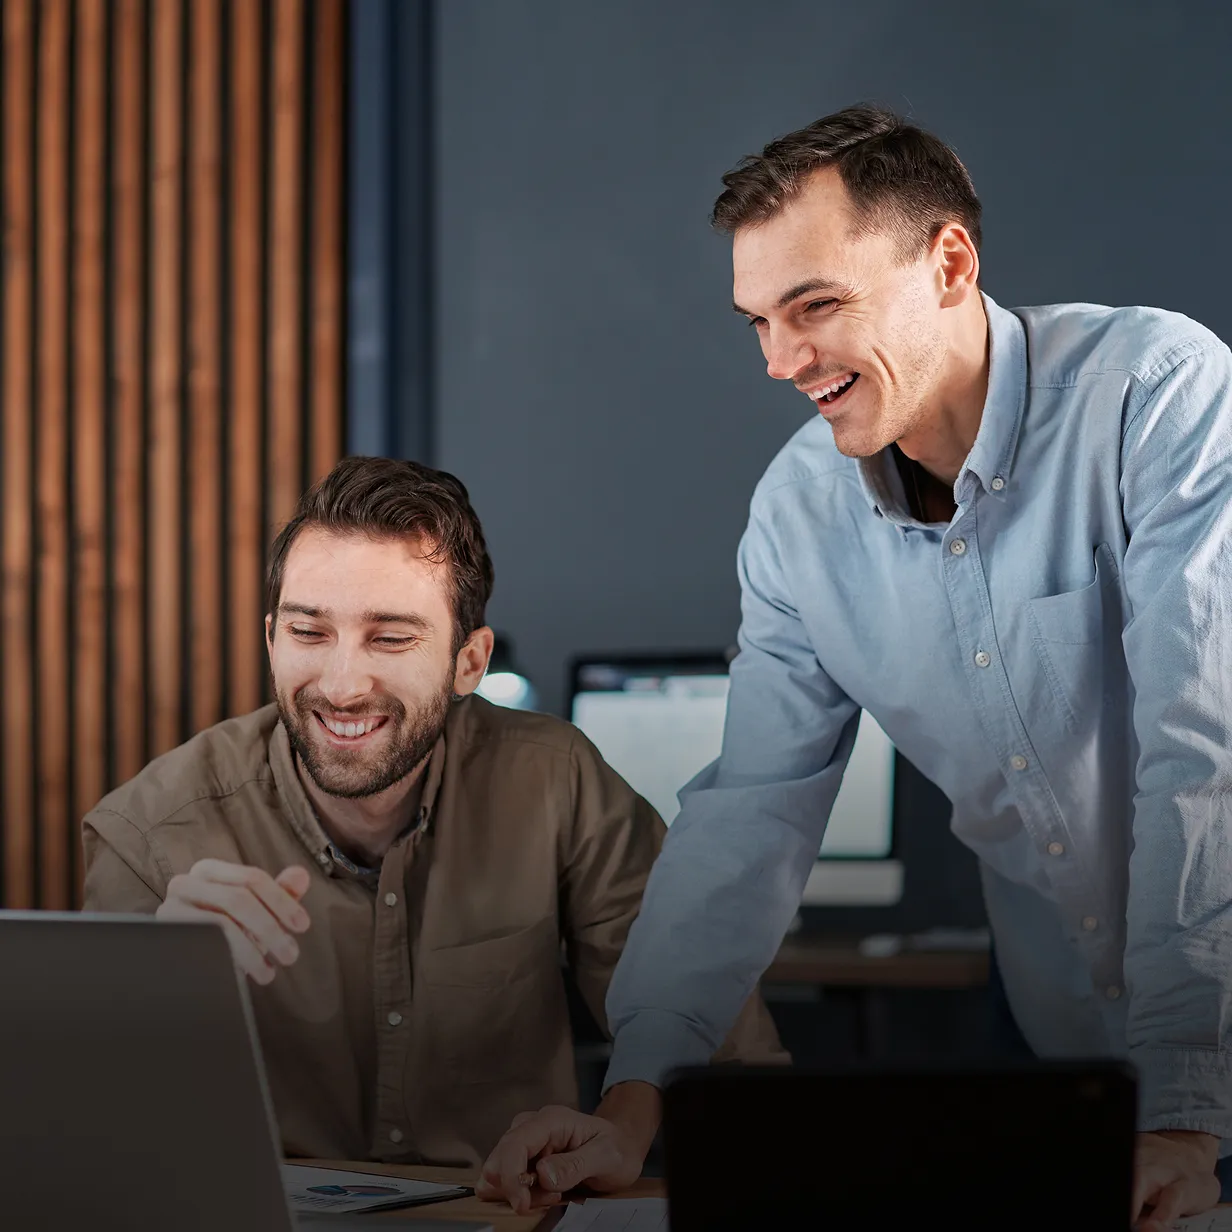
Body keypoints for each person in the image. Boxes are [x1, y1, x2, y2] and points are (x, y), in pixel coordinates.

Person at [477, 104, 1232, 1228]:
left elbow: (1198, 754)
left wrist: (1181, 1110)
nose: (781, 360)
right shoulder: (795, 513)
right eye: (757, 322)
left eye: (815, 306)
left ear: (949, 262)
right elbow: (750, 815)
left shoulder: (1154, 393)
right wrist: (633, 1103)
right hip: (1056, 1033)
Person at [82, 456, 785, 1169]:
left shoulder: (556, 782)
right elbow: (75, 1132)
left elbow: (717, 1040)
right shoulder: (151, 832)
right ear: (271, 640)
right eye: (308, 633)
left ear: (469, 662)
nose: (343, 684)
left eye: (390, 637)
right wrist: (158, 992)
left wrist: (623, 1128)